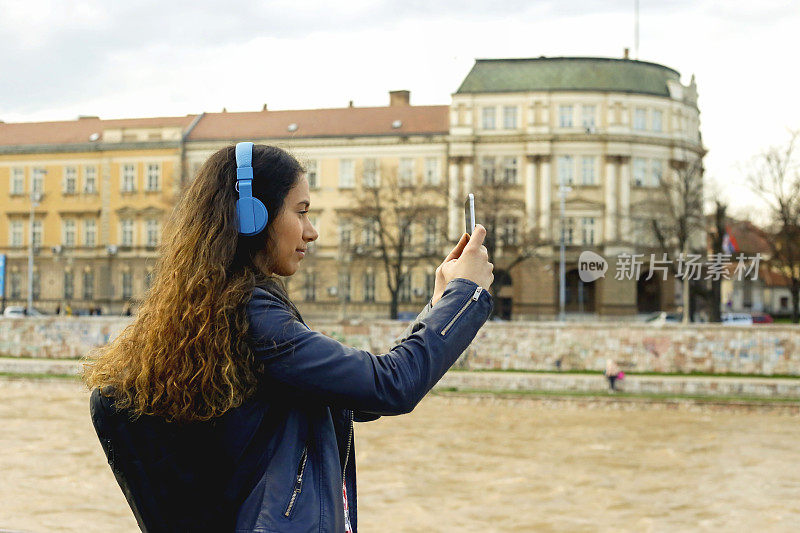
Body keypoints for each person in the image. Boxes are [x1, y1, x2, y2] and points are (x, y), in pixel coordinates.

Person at [82, 143, 494, 532]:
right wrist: (467, 294)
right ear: (251, 216)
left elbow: (356, 395)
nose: (311, 232)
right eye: (301, 212)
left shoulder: (203, 315)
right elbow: (390, 386)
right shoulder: (253, 315)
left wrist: (440, 304)